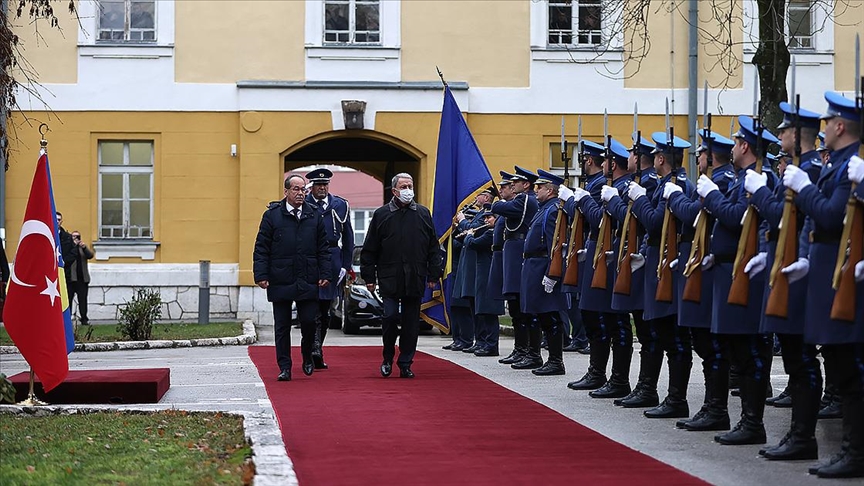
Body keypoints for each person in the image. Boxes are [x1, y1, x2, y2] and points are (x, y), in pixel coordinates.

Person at [781, 91, 862, 478]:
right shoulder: (843, 164)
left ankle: (855, 451)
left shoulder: (852, 165)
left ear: (840, 126)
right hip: (826, 269)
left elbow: (830, 216)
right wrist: (804, 256)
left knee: (849, 368)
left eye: (828, 122)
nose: (823, 128)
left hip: (842, 273)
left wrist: (804, 187)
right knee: (841, 362)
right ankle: (850, 449)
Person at [696, 115, 779, 445]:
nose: (731, 148)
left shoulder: (755, 178)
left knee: (750, 352)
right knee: (737, 349)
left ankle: (753, 422)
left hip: (747, 271)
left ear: (745, 146)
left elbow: (735, 218)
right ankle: (744, 418)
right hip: (729, 268)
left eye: (735, 142)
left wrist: (713, 195)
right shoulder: (744, 177)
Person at [360, 173, 442, 378]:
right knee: (389, 316)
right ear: (394, 191)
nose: (408, 190)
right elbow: (370, 248)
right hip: (389, 276)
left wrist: (433, 275)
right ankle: (387, 357)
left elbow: (433, 247)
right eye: (404, 186)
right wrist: (369, 277)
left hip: (415, 276)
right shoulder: (382, 214)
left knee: (411, 322)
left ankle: (405, 362)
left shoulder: (423, 214)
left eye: (410, 186)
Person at [254, 174, 332, 382]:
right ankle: (285, 366)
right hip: (281, 276)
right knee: (282, 325)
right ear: (286, 192)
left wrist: (325, 273)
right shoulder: (272, 216)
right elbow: (261, 247)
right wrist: (261, 274)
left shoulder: (314, 215)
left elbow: (323, 248)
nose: (300, 193)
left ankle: (307, 356)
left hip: (307, 276)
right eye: (296, 189)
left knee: (308, 322)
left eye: (303, 189)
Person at [305, 168, 354, 370]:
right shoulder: (304, 203)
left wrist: (345, 264)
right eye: (318, 185)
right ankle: (311, 348)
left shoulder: (340, 205)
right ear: (312, 187)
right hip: (310, 258)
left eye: (325, 185)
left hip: (332, 258)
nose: (322, 188)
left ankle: (318, 347)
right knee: (311, 307)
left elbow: (348, 236)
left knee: (325, 309)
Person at [68, 231, 95, 325]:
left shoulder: (82, 248)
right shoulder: (69, 247)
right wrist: (73, 246)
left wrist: (84, 247)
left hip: (82, 279)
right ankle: (68, 318)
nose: (76, 238)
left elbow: (90, 255)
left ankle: (84, 318)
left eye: (77, 236)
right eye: (73, 237)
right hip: (71, 279)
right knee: (69, 300)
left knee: (83, 300)